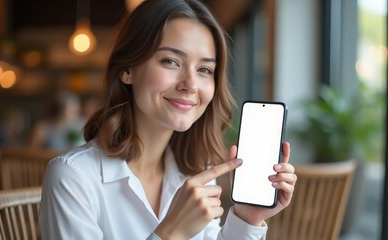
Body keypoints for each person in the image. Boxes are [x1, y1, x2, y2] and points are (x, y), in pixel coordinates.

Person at [39, 0, 297, 239]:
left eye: (204, 69)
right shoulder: (73, 177)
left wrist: (248, 218)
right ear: (128, 70)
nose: (190, 84)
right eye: (171, 61)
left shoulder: (196, 169)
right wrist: (172, 231)